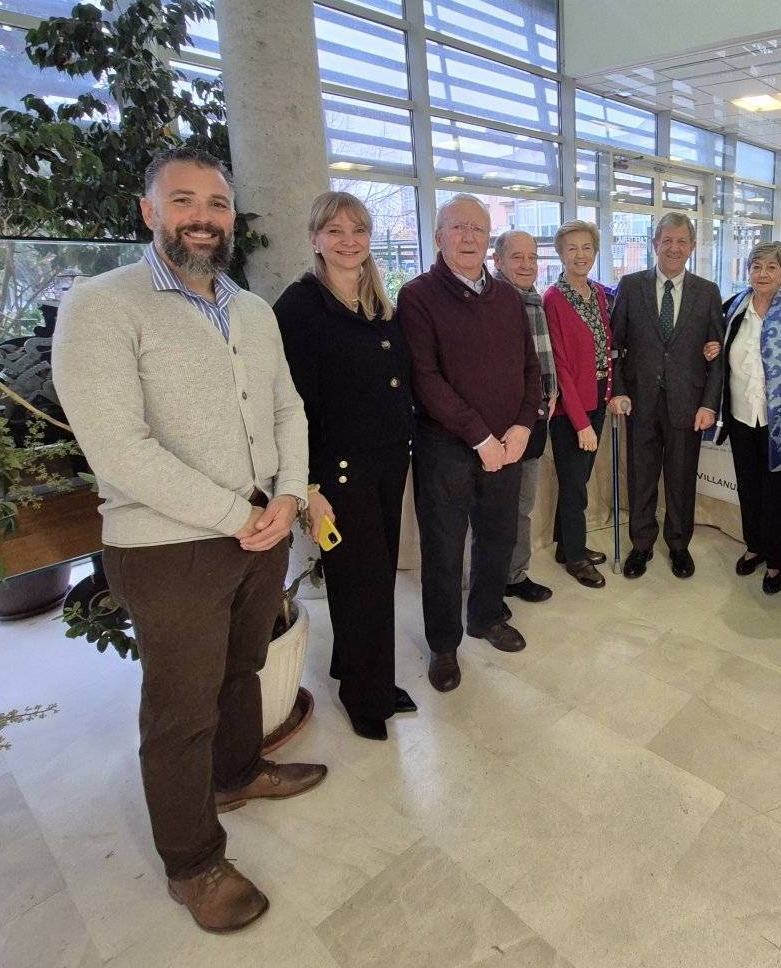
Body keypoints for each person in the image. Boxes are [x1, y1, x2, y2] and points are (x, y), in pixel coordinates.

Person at [52, 147, 325, 933]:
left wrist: (287, 493)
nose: (202, 217)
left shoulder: (252, 310)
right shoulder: (102, 305)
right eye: (183, 201)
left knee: (242, 669)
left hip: (262, 530)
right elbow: (119, 448)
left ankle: (237, 773)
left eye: (216, 203)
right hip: (169, 549)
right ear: (150, 212)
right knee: (180, 713)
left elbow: (287, 409)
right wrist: (236, 514)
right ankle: (193, 862)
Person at [273, 191, 415, 742]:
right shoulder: (300, 307)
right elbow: (293, 406)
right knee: (360, 584)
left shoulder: (377, 301)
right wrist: (308, 486)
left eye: (358, 230)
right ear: (315, 239)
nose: (348, 241)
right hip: (338, 472)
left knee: (375, 579)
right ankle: (366, 696)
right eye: (335, 231)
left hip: (387, 463)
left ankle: (358, 670)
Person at [398, 194, 540, 694]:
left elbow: (530, 367)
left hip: (507, 444)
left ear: (488, 239)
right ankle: (443, 645)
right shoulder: (417, 296)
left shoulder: (506, 297)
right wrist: (480, 436)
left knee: (498, 536)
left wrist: (522, 426)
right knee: (443, 549)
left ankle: (485, 616)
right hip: (447, 448)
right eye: (457, 228)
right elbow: (425, 378)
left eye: (478, 229)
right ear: (438, 237)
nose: (468, 237)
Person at [608, 212, 724, 579]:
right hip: (639, 401)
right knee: (641, 477)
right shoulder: (631, 286)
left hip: (687, 404)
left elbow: (717, 354)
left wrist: (709, 404)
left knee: (681, 479)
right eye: (667, 240)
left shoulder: (708, 292)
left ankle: (678, 545)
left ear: (692, 247)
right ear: (654, 243)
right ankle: (641, 545)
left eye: (682, 241)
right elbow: (615, 347)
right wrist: (619, 391)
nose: (674, 248)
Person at [715, 240, 781, 595]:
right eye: (756, 266)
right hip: (742, 414)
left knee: (778, 493)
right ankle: (754, 546)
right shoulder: (734, 307)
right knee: (748, 485)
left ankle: (775, 560)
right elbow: (720, 347)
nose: (763, 273)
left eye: (771, 267)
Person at [488, 229, 558, 606]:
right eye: (517, 257)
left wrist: (551, 393)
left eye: (532, 257)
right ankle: (489, 584)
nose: (527, 264)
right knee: (495, 511)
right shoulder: (492, 301)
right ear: (497, 260)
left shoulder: (534, 299)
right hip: (503, 424)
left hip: (535, 418)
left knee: (522, 507)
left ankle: (515, 576)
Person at [543, 220, 613, 588]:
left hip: (598, 396)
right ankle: (576, 557)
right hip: (571, 406)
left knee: (578, 478)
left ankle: (565, 546)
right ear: (560, 254)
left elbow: (607, 347)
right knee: (574, 484)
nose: (580, 254)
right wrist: (580, 422)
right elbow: (560, 366)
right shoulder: (553, 299)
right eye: (571, 248)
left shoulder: (598, 292)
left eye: (586, 247)